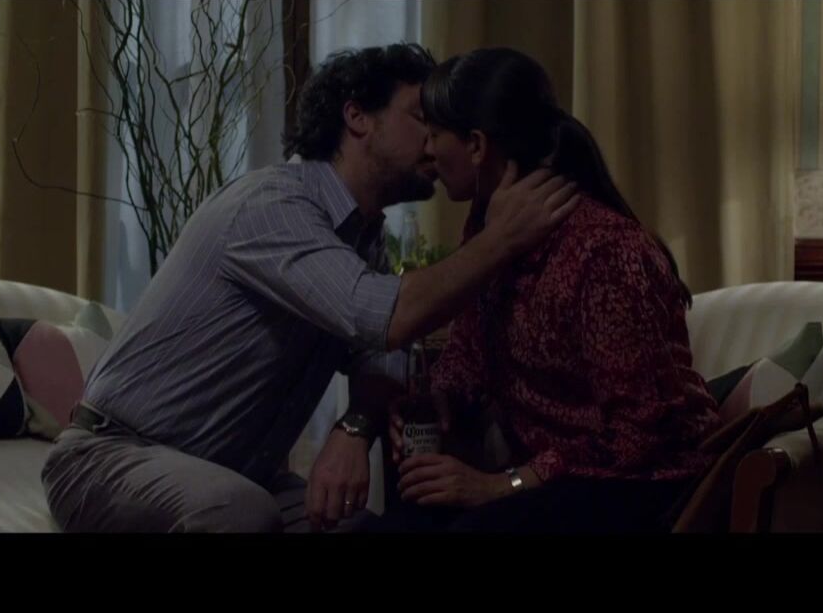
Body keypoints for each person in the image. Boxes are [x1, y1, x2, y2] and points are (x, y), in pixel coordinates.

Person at [41, 43, 581, 533]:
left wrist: (355, 427)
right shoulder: (275, 205)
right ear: (357, 116)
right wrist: (501, 237)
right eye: (422, 118)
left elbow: (380, 355)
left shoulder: (363, 235)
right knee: (238, 511)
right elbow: (384, 317)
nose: (436, 139)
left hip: (239, 475)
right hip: (110, 457)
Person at [381, 47, 721, 533]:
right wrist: (441, 399)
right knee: (406, 511)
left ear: (476, 145)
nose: (427, 150)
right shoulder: (487, 228)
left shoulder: (602, 250)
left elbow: (639, 432)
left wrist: (503, 485)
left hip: (638, 481)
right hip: (554, 475)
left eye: (435, 134)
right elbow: (470, 349)